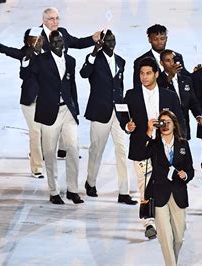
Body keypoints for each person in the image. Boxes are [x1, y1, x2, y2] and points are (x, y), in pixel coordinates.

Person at [123, 57, 185, 239]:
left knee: (167, 182)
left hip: (166, 146)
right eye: (141, 73)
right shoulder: (131, 95)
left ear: (156, 74)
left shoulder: (170, 96)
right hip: (141, 146)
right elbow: (123, 118)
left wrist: (181, 143)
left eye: (148, 73)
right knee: (144, 184)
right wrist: (128, 126)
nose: (144, 77)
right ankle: (148, 222)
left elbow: (180, 120)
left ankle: (166, 217)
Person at [20, 30, 83, 205]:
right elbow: (25, 76)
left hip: (68, 111)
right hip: (49, 112)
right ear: (49, 43)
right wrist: (27, 59)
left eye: (59, 41)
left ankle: (73, 190)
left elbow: (72, 86)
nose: (57, 44)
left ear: (63, 42)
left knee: (73, 148)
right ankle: (54, 191)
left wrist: (75, 109)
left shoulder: (70, 61)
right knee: (49, 152)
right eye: (53, 42)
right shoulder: (40, 60)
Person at [79, 30, 136, 205]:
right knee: (96, 150)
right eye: (108, 40)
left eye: (113, 39)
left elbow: (119, 87)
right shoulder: (94, 59)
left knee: (122, 150)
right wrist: (93, 53)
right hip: (99, 111)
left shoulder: (121, 61)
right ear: (102, 42)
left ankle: (124, 192)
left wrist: (126, 113)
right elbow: (84, 73)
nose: (111, 42)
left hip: (118, 113)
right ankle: (91, 182)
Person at [0, 30, 45, 178]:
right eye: (34, 39)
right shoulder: (25, 54)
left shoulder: (48, 53)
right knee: (35, 132)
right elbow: (8, 51)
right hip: (30, 100)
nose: (38, 41)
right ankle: (37, 167)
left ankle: (39, 156)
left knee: (45, 134)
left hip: (46, 100)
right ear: (28, 41)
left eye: (40, 38)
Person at [41, 7, 100, 159]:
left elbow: (77, 43)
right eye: (51, 19)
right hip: (46, 84)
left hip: (63, 82)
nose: (55, 22)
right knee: (48, 118)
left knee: (66, 114)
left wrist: (92, 39)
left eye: (57, 18)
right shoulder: (36, 35)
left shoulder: (63, 33)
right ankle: (43, 151)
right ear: (43, 21)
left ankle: (63, 149)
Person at [136, 110, 194, 266]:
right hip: (159, 194)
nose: (165, 125)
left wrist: (185, 175)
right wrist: (149, 130)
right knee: (165, 238)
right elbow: (139, 153)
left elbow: (191, 170)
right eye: (162, 122)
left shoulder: (183, 144)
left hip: (179, 194)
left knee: (179, 237)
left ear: (174, 124)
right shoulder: (153, 145)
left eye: (168, 122)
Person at [158, 49, 202, 140]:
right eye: (168, 60)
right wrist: (170, 76)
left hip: (183, 127)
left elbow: (192, 101)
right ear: (161, 63)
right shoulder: (158, 80)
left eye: (173, 59)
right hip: (165, 127)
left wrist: (198, 115)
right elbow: (160, 95)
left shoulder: (186, 80)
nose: (172, 63)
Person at [133, 24, 190, 89]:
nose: (159, 42)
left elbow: (185, 76)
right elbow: (138, 87)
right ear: (149, 40)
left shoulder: (177, 56)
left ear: (166, 39)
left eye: (162, 38)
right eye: (155, 39)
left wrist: (197, 73)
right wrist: (170, 76)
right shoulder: (140, 61)